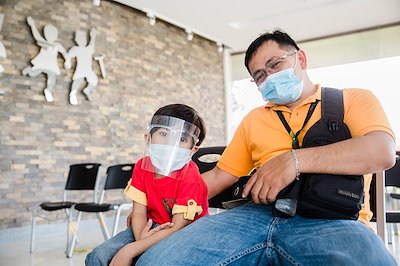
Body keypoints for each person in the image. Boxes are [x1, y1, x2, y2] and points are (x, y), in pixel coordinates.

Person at [136, 30, 397, 265]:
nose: (269, 76)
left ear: (301, 59)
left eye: (275, 64)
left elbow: (381, 151)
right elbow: (218, 176)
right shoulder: (254, 119)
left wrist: (293, 160)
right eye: (259, 75)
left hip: (332, 219)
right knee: (157, 261)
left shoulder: (352, 99)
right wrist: (158, 199)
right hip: (255, 215)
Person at [85, 103, 208, 266]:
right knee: (97, 256)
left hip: (184, 233)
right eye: (164, 134)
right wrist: (141, 239)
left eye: (182, 139)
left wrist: (133, 249)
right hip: (148, 226)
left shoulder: (191, 177)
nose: (171, 143)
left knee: (146, 261)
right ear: (148, 139)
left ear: (193, 150)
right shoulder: (142, 166)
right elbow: (138, 213)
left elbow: (178, 226)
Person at [22, 16, 68, 103]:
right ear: (45, 34)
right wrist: (32, 25)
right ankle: (29, 70)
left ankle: (48, 90)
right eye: (48, 34)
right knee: (33, 73)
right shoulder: (44, 43)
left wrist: (67, 59)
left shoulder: (57, 45)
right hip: (42, 62)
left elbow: (64, 53)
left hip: (51, 64)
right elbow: (37, 37)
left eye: (53, 34)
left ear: (56, 36)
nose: (51, 36)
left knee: (52, 77)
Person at [64, 29, 98, 105]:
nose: (82, 40)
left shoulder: (88, 49)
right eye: (80, 38)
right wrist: (67, 61)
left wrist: (93, 36)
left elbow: (92, 45)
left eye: (84, 38)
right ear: (76, 40)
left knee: (94, 80)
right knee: (77, 80)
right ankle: (72, 94)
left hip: (88, 69)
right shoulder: (76, 49)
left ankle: (88, 90)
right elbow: (68, 55)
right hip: (81, 68)